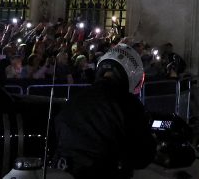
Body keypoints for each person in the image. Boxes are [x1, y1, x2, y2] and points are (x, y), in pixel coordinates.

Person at [52, 44, 156, 179]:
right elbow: (142, 155)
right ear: (130, 73)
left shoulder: (75, 99)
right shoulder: (127, 104)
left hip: (66, 172)